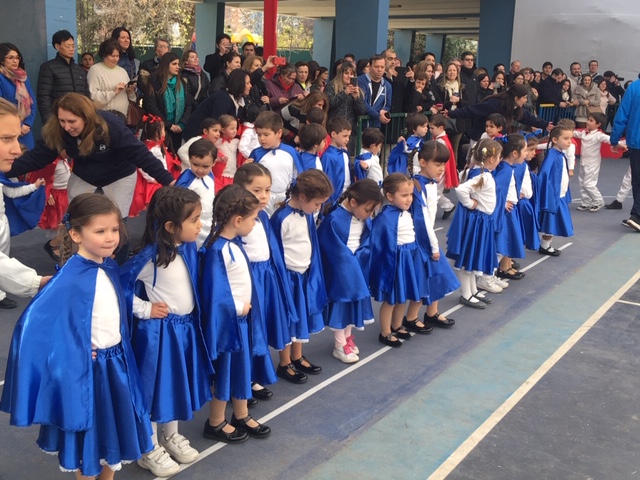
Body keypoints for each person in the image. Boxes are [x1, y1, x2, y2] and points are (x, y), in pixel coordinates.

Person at [0, 193, 154, 479]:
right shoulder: (69, 277)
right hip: (88, 373)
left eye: (114, 229)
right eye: (100, 231)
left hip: (117, 366)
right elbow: (35, 325)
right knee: (88, 442)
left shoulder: (108, 266)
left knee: (113, 436)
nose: (110, 237)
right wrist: (74, 350)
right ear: (76, 234)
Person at [8, 93, 175, 264]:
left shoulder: (109, 125)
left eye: (72, 121)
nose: (67, 126)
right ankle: (74, 260)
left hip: (119, 174)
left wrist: (169, 180)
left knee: (116, 222)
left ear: (86, 117)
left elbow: (139, 154)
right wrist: (6, 170)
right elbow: (37, 158)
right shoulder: (58, 130)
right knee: (77, 219)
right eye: (62, 120)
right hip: (85, 174)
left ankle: (119, 267)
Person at [121, 187, 213, 476]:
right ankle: (148, 448)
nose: (200, 225)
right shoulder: (151, 257)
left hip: (184, 332)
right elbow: (118, 285)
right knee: (152, 389)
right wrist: (144, 308)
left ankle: (170, 435)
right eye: (194, 220)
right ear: (171, 226)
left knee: (173, 385)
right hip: (159, 336)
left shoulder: (188, 248)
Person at [200, 185, 272, 442]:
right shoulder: (217, 250)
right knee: (226, 372)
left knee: (241, 368)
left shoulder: (234, 244)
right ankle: (215, 422)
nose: (255, 223)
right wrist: (239, 307)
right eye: (253, 219)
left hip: (242, 321)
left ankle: (240, 414)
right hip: (229, 324)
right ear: (238, 220)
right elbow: (214, 293)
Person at [233, 163, 296, 398]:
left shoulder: (263, 218)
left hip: (265, 278)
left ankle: (254, 375)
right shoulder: (236, 222)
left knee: (261, 329)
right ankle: (243, 381)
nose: (263, 196)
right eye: (256, 190)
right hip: (250, 282)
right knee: (250, 330)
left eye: (267, 190)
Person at [270, 169, 332, 380]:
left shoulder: (307, 215)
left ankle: (297, 357)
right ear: (303, 197)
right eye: (317, 203)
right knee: (289, 320)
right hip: (289, 278)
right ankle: (285, 363)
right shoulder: (282, 218)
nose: (319, 208)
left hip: (303, 275)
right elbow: (276, 252)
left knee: (301, 317)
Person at [318, 180, 382, 363]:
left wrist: (360, 257)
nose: (370, 215)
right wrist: (349, 263)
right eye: (368, 210)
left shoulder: (362, 218)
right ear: (353, 202)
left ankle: (347, 338)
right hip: (342, 271)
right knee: (342, 305)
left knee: (354, 302)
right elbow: (330, 248)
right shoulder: (334, 219)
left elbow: (367, 240)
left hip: (357, 265)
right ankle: (339, 344)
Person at [370, 173, 431, 347]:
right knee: (391, 299)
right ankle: (385, 332)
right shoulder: (385, 217)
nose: (409, 199)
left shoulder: (405, 213)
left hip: (409, 258)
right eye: (404, 195)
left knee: (402, 296)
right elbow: (379, 243)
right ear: (390, 196)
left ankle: (396, 325)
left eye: (410, 195)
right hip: (395, 261)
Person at [446, 139, 502, 308]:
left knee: (472, 257)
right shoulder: (484, 176)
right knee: (467, 259)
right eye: (499, 157)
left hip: (482, 222)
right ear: (491, 159)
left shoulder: (479, 173)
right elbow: (461, 189)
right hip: (478, 222)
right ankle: (466, 293)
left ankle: (472, 290)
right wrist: (470, 204)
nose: (500, 160)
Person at [412, 141, 459, 327]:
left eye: (443, 165)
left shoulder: (431, 183)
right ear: (423, 162)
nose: (441, 169)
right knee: (425, 278)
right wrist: (432, 245)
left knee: (437, 275)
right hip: (422, 240)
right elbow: (422, 219)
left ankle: (432, 312)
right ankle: (411, 318)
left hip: (429, 236)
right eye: (437, 164)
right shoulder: (418, 186)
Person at [447, 84, 549, 143]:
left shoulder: (517, 109)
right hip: (480, 137)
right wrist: (451, 114)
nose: (526, 100)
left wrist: (546, 125)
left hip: (498, 138)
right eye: (524, 98)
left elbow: (529, 118)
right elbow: (472, 110)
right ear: (516, 98)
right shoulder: (494, 104)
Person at [249, 111, 303, 215]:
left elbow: (299, 174)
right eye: (259, 135)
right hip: (263, 199)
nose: (261, 138)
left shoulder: (291, 152)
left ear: (279, 133)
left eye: (266, 134)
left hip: (286, 197)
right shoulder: (256, 154)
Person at [128, 114, 181, 218]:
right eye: (163, 130)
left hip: (157, 179)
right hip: (154, 182)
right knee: (155, 204)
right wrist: (152, 179)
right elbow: (142, 166)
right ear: (157, 133)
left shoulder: (153, 145)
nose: (165, 132)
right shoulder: (154, 149)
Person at [492, 134, 528, 281]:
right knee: (501, 245)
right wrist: (503, 203)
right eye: (524, 150)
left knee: (503, 244)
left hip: (509, 211)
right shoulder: (506, 170)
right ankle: (488, 276)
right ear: (514, 153)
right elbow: (496, 189)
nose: (526, 154)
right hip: (505, 214)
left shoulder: (508, 167)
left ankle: (491, 274)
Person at [143, 52, 192, 153]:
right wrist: (168, 125)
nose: (178, 67)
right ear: (166, 65)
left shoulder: (182, 82)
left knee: (174, 157)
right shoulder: (154, 81)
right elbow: (151, 106)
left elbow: (188, 105)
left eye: (178, 64)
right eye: (174, 64)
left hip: (178, 130)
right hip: (159, 130)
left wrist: (181, 124)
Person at [183, 69, 251, 141]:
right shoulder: (222, 99)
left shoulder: (239, 100)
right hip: (195, 138)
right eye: (247, 83)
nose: (250, 86)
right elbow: (217, 124)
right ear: (239, 84)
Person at [36, 29, 89, 121]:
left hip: (80, 118)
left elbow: (87, 95)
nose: (71, 49)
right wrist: (49, 121)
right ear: (57, 46)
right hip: (59, 118)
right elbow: (43, 96)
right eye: (67, 46)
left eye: (73, 46)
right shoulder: (48, 67)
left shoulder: (80, 70)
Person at [538, 125, 574, 254]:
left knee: (552, 222)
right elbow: (544, 174)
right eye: (565, 138)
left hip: (559, 194)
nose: (569, 142)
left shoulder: (559, 155)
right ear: (554, 139)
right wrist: (548, 194)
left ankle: (545, 244)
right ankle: (545, 245)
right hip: (553, 196)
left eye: (570, 138)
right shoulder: (552, 156)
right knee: (550, 221)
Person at [175, 138, 217, 248]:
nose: (200, 170)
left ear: (213, 163)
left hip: (208, 221)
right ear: (189, 160)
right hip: (191, 224)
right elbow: (176, 203)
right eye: (195, 164)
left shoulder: (210, 176)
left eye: (205, 166)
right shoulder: (186, 180)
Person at [610, 79, 640, 230]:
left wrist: (615, 139)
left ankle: (637, 214)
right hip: (636, 139)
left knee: (637, 179)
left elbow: (623, 113)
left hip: (636, 140)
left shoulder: (634, 87)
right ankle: (637, 214)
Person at [574, 112, 617, 212]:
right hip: (583, 161)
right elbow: (573, 133)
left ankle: (598, 201)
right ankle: (586, 202)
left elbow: (610, 139)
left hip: (593, 163)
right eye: (588, 119)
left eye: (591, 120)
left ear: (598, 124)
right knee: (582, 182)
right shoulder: (583, 132)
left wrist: (618, 144)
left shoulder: (599, 135)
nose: (587, 122)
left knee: (589, 184)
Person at [324, 61, 368, 153]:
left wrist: (356, 98)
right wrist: (344, 93)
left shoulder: (357, 90)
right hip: (334, 128)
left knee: (348, 157)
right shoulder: (331, 86)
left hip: (349, 131)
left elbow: (362, 111)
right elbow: (330, 103)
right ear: (341, 74)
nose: (349, 76)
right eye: (346, 73)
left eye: (352, 74)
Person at [87, 39, 137, 118]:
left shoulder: (122, 71)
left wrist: (130, 91)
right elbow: (93, 96)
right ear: (104, 55)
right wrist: (113, 92)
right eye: (112, 56)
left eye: (117, 56)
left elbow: (132, 98)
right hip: (104, 117)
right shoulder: (95, 70)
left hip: (123, 117)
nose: (115, 59)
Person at [0, 42, 37, 149]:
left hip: (26, 130)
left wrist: (28, 124)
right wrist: (18, 125)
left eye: (17, 58)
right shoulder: (1, 78)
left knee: (27, 157)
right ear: (2, 60)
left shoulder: (22, 77)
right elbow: (2, 106)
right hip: (8, 129)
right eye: (11, 58)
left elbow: (32, 103)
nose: (15, 61)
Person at [428, 114, 459, 216]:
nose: (430, 130)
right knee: (436, 191)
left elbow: (440, 159)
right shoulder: (441, 139)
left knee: (435, 192)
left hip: (440, 171)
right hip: (440, 170)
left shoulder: (441, 141)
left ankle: (430, 211)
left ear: (441, 128)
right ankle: (448, 206)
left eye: (432, 128)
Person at [321, 116, 353, 206]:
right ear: (333, 134)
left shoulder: (344, 152)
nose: (347, 139)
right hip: (333, 199)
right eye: (344, 136)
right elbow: (326, 180)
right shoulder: (328, 156)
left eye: (349, 136)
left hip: (346, 195)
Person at [358, 55, 392, 128]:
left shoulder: (387, 85)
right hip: (360, 125)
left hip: (376, 126)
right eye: (376, 67)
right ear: (370, 67)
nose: (379, 70)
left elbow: (388, 104)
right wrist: (378, 116)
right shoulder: (361, 80)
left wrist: (384, 110)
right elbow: (362, 102)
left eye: (382, 67)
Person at [214, 114, 240, 192]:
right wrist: (219, 158)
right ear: (223, 130)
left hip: (233, 174)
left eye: (236, 128)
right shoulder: (217, 142)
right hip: (221, 174)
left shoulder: (237, 142)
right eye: (232, 128)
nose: (235, 131)